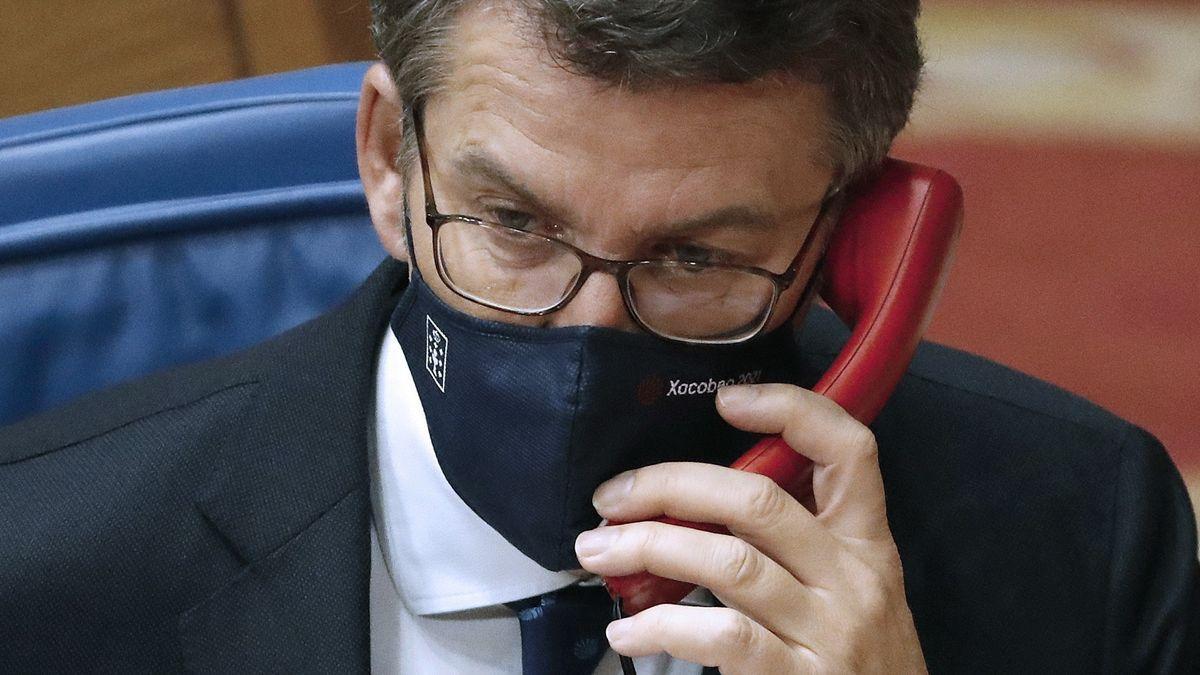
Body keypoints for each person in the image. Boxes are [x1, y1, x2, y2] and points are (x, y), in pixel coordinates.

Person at [1, 1, 1196, 673]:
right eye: (512, 222)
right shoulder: (40, 566)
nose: (583, 336)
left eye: (698, 257)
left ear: (850, 235)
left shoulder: (1083, 534)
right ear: (386, 160)